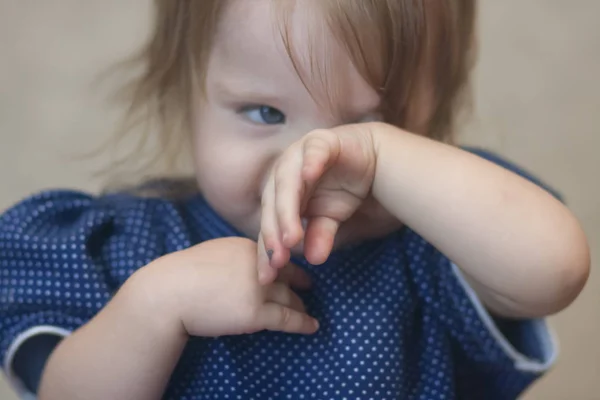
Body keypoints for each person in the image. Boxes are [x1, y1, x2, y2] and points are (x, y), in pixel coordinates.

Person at [0, 1, 590, 399]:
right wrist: (154, 308)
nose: (308, 165)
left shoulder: (435, 247)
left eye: (369, 123)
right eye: (266, 113)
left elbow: (556, 269)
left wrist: (383, 160)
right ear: (188, 93)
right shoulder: (132, 248)